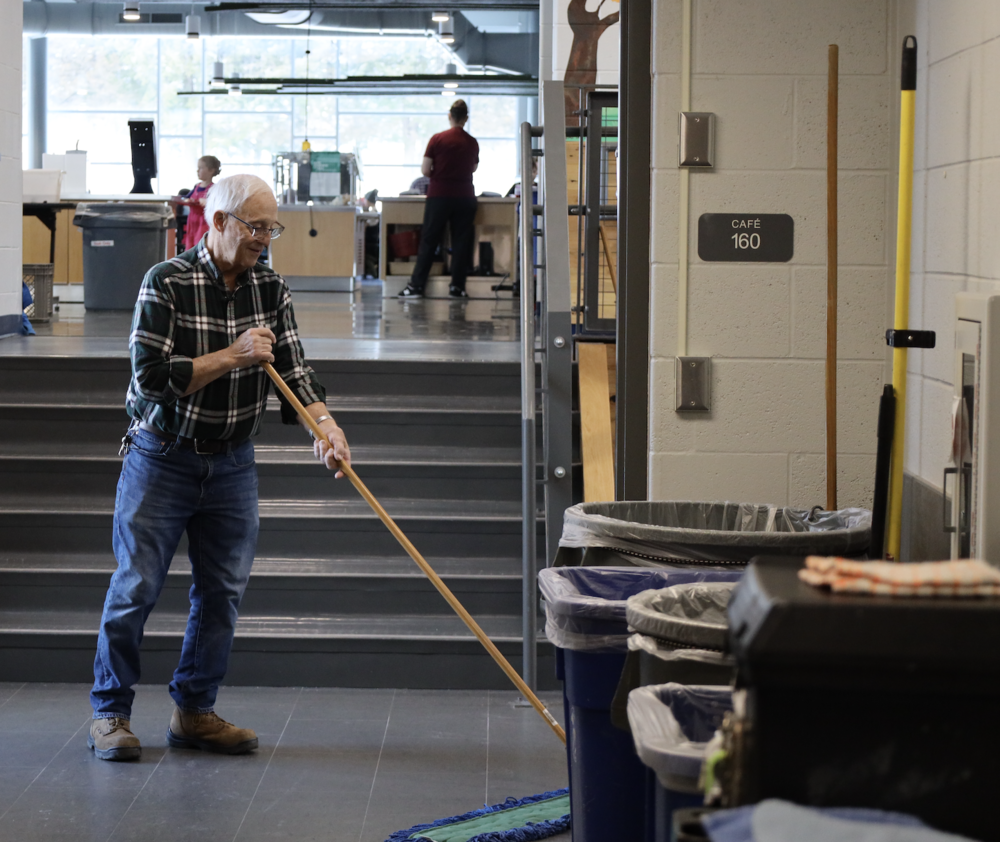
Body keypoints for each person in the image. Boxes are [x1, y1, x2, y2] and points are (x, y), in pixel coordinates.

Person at [88, 174, 351, 762]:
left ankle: (195, 712)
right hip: (162, 458)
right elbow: (149, 381)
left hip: (232, 462)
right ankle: (110, 714)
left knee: (221, 593)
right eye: (255, 227)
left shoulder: (271, 287)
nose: (265, 239)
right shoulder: (167, 283)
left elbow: (296, 373)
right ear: (220, 222)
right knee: (135, 589)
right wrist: (233, 354)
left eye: (271, 227)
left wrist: (326, 426)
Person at [398, 99, 479, 299]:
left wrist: (440, 172)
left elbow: (425, 170)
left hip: (440, 195)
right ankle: (457, 288)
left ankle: (416, 287)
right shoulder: (472, 142)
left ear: (449, 116)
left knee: (429, 240)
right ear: (466, 118)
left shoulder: (437, 139)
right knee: (461, 242)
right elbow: (474, 167)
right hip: (465, 197)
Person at [173, 155, 221, 252]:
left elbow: (217, 203)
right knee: (189, 244)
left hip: (203, 222)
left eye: (201, 168)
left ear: (211, 170)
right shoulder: (196, 186)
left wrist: (207, 202)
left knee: (201, 245)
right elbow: (186, 198)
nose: (197, 171)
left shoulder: (214, 188)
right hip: (192, 221)